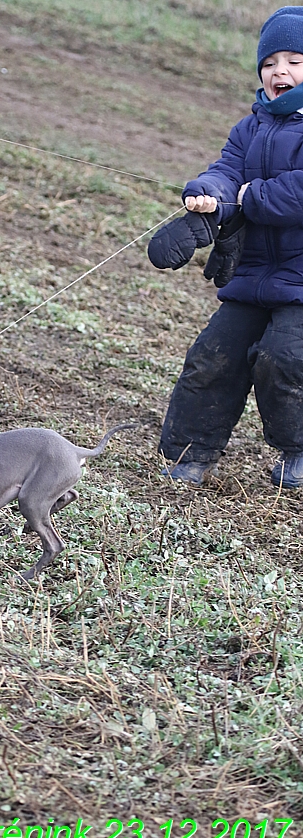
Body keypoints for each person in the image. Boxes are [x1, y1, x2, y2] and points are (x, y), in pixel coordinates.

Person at [148, 6, 303, 488]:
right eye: (271, 61)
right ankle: (189, 454)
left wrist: (247, 197)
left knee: (284, 359)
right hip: (252, 276)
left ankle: (298, 453)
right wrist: (209, 196)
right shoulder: (248, 128)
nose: (281, 70)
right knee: (212, 357)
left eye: (296, 60)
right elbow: (227, 171)